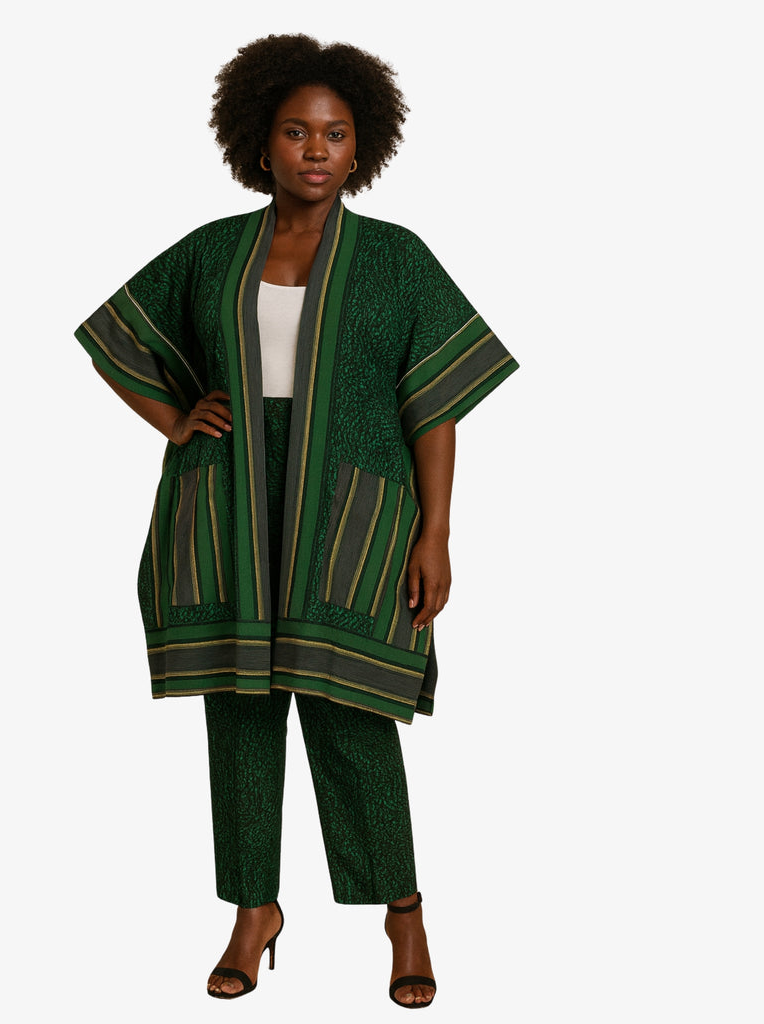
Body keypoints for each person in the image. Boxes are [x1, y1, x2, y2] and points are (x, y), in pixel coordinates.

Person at [73, 33, 518, 1008]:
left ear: (362, 148)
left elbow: (432, 408)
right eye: (295, 131)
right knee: (240, 717)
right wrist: (175, 418)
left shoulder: (395, 260)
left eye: (335, 133)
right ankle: (253, 910)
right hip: (230, 508)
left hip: (350, 521)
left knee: (352, 715)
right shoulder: (213, 251)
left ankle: (403, 911)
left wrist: (435, 533)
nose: (315, 149)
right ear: (259, 141)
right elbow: (117, 339)